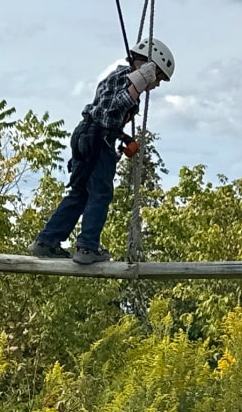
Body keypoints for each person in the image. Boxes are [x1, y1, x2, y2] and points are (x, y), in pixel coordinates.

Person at [28, 37, 176, 265]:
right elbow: (115, 106)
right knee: (100, 193)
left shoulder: (117, 78)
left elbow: (104, 115)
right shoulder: (125, 79)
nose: (155, 85)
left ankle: (46, 241)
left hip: (88, 135)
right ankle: (87, 247)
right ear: (148, 68)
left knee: (79, 192)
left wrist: (123, 137)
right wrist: (138, 83)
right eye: (157, 78)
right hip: (98, 140)